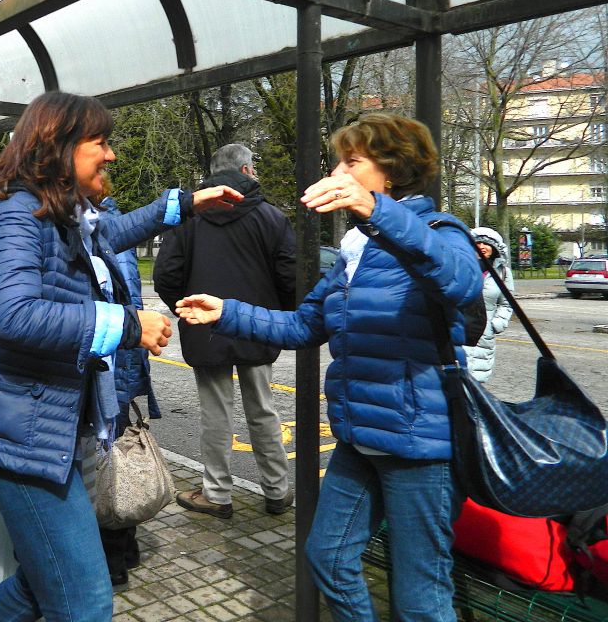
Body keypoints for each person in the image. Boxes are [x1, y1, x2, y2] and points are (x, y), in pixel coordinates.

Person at [0, 91, 242, 621]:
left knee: (41, 588)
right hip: (20, 437)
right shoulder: (17, 216)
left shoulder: (55, 212)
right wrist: (128, 325)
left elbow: (108, 232)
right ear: (59, 148)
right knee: (86, 601)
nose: (110, 155)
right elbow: (16, 317)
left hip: (48, 429)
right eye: (99, 143)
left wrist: (186, 204)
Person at [175, 113, 483, 622]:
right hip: (360, 435)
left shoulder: (437, 229)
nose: (339, 170)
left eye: (352, 161)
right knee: (328, 559)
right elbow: (302, 326)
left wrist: (377, 212)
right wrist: (227, 311)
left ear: (393, 169)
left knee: (420, 595)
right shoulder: (355, 250)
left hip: (418, 443)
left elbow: (462, 284)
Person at [153, 143, 297, 519]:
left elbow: (166, 275)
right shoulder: (271, 217)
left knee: (215, 413)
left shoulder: (189, 218)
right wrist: (275, 318)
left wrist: (187, 308)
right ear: (248, 171)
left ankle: (216, 493)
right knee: (264, 410)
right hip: (257, 326)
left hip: (206, 329)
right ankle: (277, 490)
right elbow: (290, 277)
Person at [97, 194, 161, 587]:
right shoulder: (112, 227)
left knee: (109, 465)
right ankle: (126, 550)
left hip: (111, 370)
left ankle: (114, 560)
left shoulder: (101, 237)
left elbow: (120, 310)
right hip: (122, 369)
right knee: (116, 459)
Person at [463, 227, 514, 383]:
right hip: (461, 328)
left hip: (485, 334)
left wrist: (497, 323)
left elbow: (507, 303)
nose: (482, 247)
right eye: (477, 243)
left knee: (477, 379)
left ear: (495, 249)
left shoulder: (503, 272)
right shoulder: (462, 268)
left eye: (487, 244)